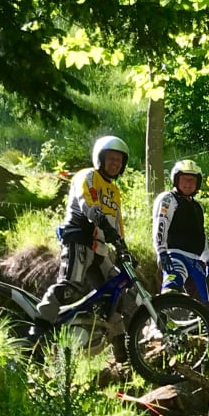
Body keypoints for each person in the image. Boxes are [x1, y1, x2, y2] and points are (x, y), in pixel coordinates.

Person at [33, 135, 129, 336]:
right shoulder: (87, 176)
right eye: (111, 158)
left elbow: (117, 222)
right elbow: (88, 203)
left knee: (115, 291)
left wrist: (123, 247)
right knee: (70, 287)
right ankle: (40, 324)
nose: (115, 164)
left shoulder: (115, 191)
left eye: (119, 160)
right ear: (100, 158)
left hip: (100, 247)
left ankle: (121, 344)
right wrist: (100, 221)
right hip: (78, 238)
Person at [152, 159, 209, 303]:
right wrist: (161, 251)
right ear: (176, 180)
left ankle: (201, 325)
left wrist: (208, 258)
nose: (188, 183)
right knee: (171, 289)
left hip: (196, 260)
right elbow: (161, 224)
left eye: (192, 180)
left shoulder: (198, 207)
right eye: (184, 179)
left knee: (203, 304)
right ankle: (162, 322)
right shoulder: (167, 199)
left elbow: (201, 235)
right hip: (174, 255)